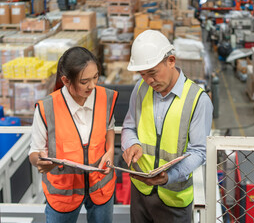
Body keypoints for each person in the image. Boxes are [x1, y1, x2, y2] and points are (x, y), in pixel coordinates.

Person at [121, 30, 213, 223]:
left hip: (174, 199)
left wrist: (169, 176)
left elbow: (199, 151)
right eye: (143, 74)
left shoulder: (197, 100)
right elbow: (129, 127)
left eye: (153, 73)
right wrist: (132, 144)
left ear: (171, 61)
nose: (148, 80)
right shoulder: (139, 89)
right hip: (140, 191)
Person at [28, 46, 118, 223]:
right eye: (84, 81)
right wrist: (40, 161)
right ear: (66, 80)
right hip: (63, 194)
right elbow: (34, 152)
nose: (92, 86)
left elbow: (110, 126)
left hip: (100, 187)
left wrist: (109, 152)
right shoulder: (47, 108)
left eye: (95, 77)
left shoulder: (104, 97)